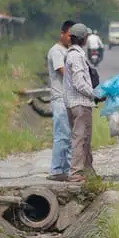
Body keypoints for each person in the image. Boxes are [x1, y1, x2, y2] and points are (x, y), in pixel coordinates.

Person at [63, 23, 102, 183]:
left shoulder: (73, 54)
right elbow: (79, 82)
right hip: (80, 103)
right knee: (80, 138)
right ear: (84, 38)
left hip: (75, 103)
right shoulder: (76, 56)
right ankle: (75, 173)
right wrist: (94, 95)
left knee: (85, 138)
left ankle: (88, 171)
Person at [46, 20, 75, 182]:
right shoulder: (57, 51)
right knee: (62, 136)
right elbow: (64, 72)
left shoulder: (68, 51)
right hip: (60, 99)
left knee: (69, 136)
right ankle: (57, 170)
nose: (71, 38)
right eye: (69, 35)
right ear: (62, 34)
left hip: (67, 99)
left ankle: (66, 170)